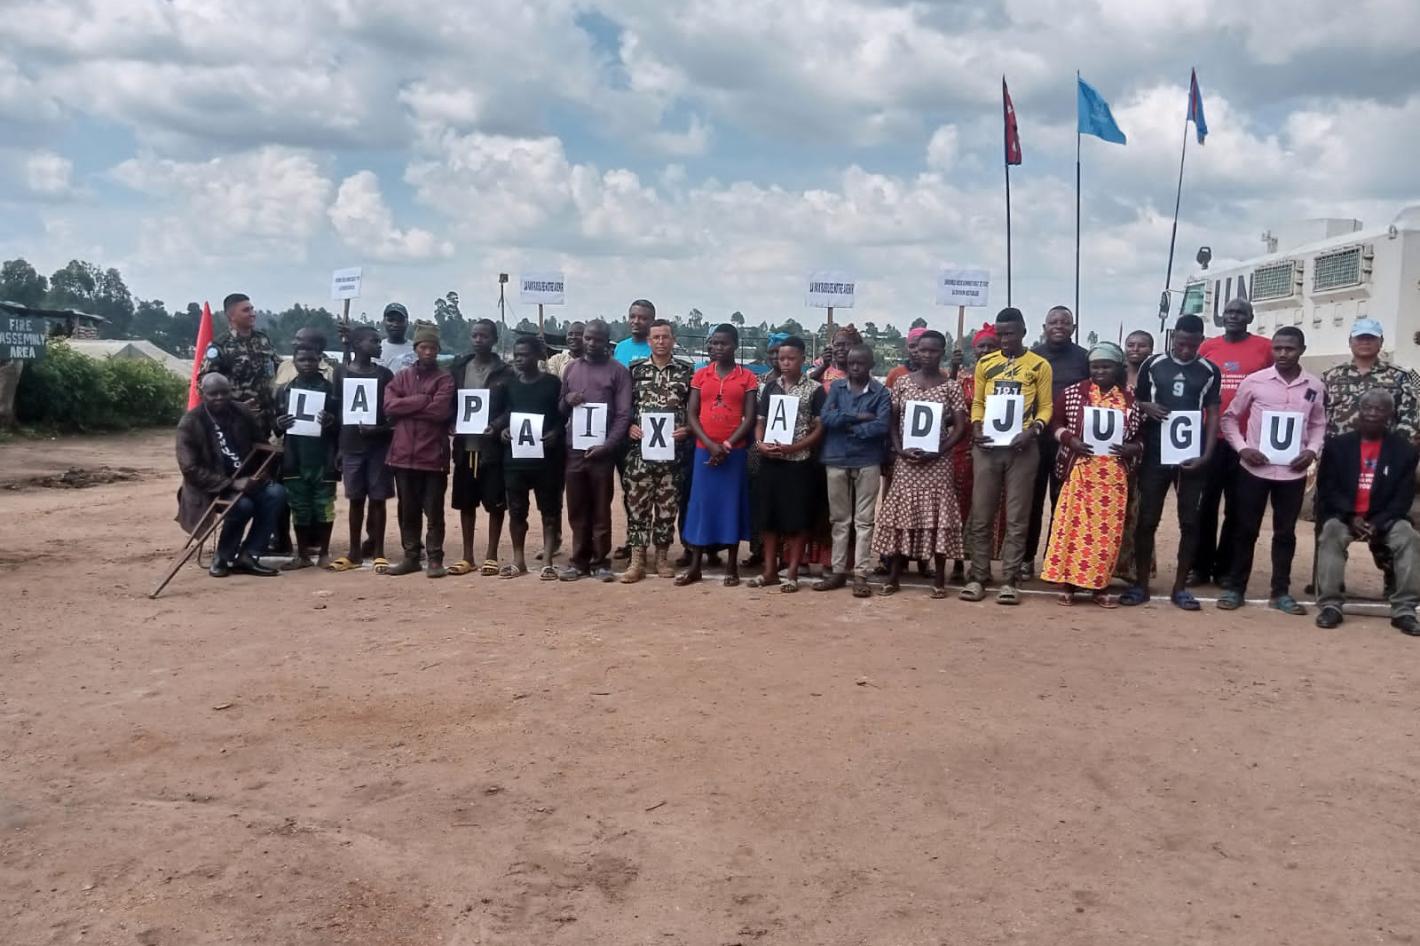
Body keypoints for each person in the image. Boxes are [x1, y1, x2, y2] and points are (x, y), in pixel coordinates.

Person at [1217, 326, 1326, 613]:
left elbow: (1318, 424)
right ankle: (1235, 588)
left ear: (1302, 350)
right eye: (1278, 348)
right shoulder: (1255, 381)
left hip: (1292, 472)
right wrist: (1243, 448)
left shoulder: (1314, 386)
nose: (1283, 354)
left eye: (1290, 348)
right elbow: (1230, 418)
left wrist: (1311, 451)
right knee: (1245, 529)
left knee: (1285, 533)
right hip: (1254, 470)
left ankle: (1280, 592)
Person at [1121, 315, 1221, 610]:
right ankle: (1141, 584)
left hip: (1190, 455)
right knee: (1147, 519)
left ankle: (1180, 588)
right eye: (1181, 344)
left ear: (1201, 341)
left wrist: (1207, 454)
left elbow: (1213, 413)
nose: (1186, 350)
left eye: (1192, 345)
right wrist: (1145, 406)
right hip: (1155, 453)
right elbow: (1134, 401)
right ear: (1173, 337)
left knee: (1189, 521)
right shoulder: (1153, 365)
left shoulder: (1209, 370)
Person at [1039, 343, 1143, 606]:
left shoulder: (1130, 399)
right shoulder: (1073, 393)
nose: (1100, 372)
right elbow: (1056, 423)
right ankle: (1068, 584)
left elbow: (1141, 437)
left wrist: (1132, 448)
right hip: (1079, 471)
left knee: (1105, 533)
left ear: (1118, 368)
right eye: (1095, 367)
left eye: (1106, 367)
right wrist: (1070, 439)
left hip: (1113, 476)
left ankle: (1099, 585)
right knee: (1072, 529)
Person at [962, 307, 1053, 605]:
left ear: (1024, 332)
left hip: (1021, 449)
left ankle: (1011, 579)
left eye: (1010, 334)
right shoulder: (986, 364)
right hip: (988, 448)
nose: (1004, 340)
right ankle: (978, 575)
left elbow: (1045, 407)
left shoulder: (1039, 365)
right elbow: (978, 402)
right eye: (1000, 334)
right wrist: (977, 426)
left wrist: (1033, 430)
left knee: (1017, 516)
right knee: (981, 514)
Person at [1314, 389, 1420, 635]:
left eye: (1379, 409)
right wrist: (1351, 516)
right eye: (1368, 408)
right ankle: (1330, 605)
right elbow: (1327, 489)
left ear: (1390, 415)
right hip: (1345, 516)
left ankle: (1404, 610)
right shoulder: (1337, 446)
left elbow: (1403, 497)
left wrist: (1379, 522)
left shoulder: (1404, 451)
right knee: (1331, 534)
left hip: (1386, 518)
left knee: (1409, 538)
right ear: (1359, 412)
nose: (1372, 413)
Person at [873, 330, 969, 598]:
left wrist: (939, 451)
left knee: (938, 518)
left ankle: (939, 579)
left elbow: (960, 426)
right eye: (922, 350)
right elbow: (892, 421)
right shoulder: (902, 383)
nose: (927, 355)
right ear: (915, 351)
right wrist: (899, 449)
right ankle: (894, 576)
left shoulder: (951, 386)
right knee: (900, 517)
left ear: (942, 353)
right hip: (907, 462)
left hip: (938, 464)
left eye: (933, 350)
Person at [1193, 297, 1274, 585]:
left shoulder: (1265, 347)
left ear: (1250, 317)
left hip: (1247, 441)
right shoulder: (1208, 347)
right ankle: (1200, 567)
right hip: (1210, 439)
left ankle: (1225, 569)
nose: (1234, 316)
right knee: (1205, 506)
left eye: (1240, 313)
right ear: (1222, 316)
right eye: (1229, 312)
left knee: (1237, 508)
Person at [175, 373, 284, 578]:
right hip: (211, 487)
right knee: (242, 505)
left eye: (224, 393)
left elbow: (260, 444)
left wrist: (263, 473)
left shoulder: (241, 412)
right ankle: (223, 557)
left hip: (246, 479)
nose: (220, 398)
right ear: (202, 393)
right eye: (213, 394)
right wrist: (232, 483)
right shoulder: (190, 423)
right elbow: (190, 469)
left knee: (276, 493)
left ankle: (249, 554)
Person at [678, 324, 758, 586]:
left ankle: (732, 566)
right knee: (701, 506)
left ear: (735, 345)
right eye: (713, 343)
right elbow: (692, 414)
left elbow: (749, 418)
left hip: (733, 453)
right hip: (704, 451)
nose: (717, 348)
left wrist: (726, 445)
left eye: (723, 343)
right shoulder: (701, 375)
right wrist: (709, 444)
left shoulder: (747, 377)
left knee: (730, 506)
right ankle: (695, 566)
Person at [749, 336, 826, 592]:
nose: (785, 363)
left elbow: (820, 428)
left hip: (798, 462)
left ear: (803, 359)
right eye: (782, 358)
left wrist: (796, 447)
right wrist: (760, 443)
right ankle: (770, 570)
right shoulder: (769, 387)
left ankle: (792, 572)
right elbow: (760, 421)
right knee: (768, 517)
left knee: (797, 518)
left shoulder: (814, 389)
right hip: (771, 460)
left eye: (791, 358)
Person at [621, 319, 694, 582]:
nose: (661, 341)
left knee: (667, 508)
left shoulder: (687, 372)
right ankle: (637, 559)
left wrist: (688, 429)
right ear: (649, 341)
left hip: (673, 454)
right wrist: (628, 426)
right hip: (640, 454)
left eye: (665, 337)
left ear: (673, 340)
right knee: (637, 507)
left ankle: (662, 557)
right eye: (656, 337)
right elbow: (624, 406)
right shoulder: (634, 371)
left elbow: (694, 410)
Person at [559, 320, 631, 581]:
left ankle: (601, 561)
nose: (591, 343)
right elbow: (560, 408)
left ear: (606, 342)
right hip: (574, 449)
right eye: (588, 338)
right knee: (577, 508)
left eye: (597, 339)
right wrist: (567, 400)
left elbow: (623, 415)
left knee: (601, 507)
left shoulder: (618, 372)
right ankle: (579, 560)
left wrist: (608, 446)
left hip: (602, 451)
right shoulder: (571, 368)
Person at [816, 343, 891, 595]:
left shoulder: (881, 392)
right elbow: (827, 417)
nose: (855, 368)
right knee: (839, 519)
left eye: (860, 363)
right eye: (851, 364)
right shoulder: (837, 387)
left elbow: (881, 425)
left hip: (867, 460)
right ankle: (838, 570)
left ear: (871, 365)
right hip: (836, 458)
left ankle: (860, 574)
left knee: (864, 520)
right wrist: (858, 417)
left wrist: (846, 422)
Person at [1024, 305, 1090, 580]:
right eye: (1053, 322)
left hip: (1069, 441)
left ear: (1074, 328)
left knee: (1062, 502)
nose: (1059, 326)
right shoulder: (1032, 357)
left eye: (1065, 322)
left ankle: (1055, 559)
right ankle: (1026, 558)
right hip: (1034, 440)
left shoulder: (1084, 359)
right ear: (1044, 327)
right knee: (1031, 501)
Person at [384, 322, 455, 577]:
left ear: (438, 350)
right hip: (403, 455)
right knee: (407, 510)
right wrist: (422, 400)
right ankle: (411, 556)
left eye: (432, 348)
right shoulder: (402, 376)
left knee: (434, 510)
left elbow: (440, 411)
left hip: (433, 456)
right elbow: (389, 406)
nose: (428, 352)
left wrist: (406, 407)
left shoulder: (445, 379)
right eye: (424, 347)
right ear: (415, 348)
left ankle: (435, 558)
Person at [496, 335, 565, 580]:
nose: (519, 359)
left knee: (550, 511)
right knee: (516, 511)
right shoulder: (510, 385)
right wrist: (503, 431)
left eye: (524, 355)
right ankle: (518, 559)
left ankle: (547, 561)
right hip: (516, 460)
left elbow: (562, 416)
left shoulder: (553, 384)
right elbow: (507, 413)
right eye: (516, 355)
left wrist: (556, 432)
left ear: (537, 356)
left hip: (547, 460)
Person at [448, 318, 512, 577]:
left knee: (495, 504)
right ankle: (467, 556)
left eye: (484, 336)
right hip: (465, 446)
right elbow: (450, 402)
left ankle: (491, 555)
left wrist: (496, 426)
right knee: (466, 503)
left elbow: (511, 407)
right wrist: (451, 421)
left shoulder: (504, 372)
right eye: (474, 335)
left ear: (494, 339)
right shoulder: (459, 368)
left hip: (491, 448)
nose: (478, 340)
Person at [328, 325, 394, 573]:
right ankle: (354, 551)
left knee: (378, 499)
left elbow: (392, 415)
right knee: (355, 499)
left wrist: (379, 430)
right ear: (357, 344)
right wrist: (338, 448)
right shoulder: (341, 373)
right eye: (373, 341)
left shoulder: (385, 375)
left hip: (378, 447)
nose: (379, 345)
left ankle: (378, 550)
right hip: (350, 446)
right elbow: (337, 412)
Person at [273, 348, 339, 569]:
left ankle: (324, 552)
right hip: (295, 457)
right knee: (299, 506)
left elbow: (341, 423)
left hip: (323, 458)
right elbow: (275, 426)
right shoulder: (284, 391)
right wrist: (278, 424)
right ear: (294, 362)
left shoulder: (331, 390)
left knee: (324, 505)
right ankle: (302, 554)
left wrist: (331, 421)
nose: (308, 363)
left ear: (319, 360)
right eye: (302, 360)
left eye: (312, 359)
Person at [948, 324, 1003, 583]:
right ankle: (958, 562)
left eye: (992, 346)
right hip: (963, 448)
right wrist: (953, 371)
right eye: (982, 346)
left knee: (987, 506)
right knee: (960, 504)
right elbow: (948, 408)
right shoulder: (962, 380)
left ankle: (982, 564)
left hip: (993, 446)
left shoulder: (1004, 379)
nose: (986, 350)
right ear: (974, 350)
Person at [1321, 318, 1420, 441]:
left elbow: (1410, 416)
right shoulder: (1332, 376)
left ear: (1381, 342)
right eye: (1360, 338)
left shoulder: (1398, 376)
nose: (1365, 342)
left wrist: (1397, 447)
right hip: (1338, 449)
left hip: (1384, 449)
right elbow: (1318, 416)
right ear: (1350, 341)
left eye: (1371, 338)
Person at [197, 293, 279, 436]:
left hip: (265, 418)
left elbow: (279, 368)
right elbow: (203, 384)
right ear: (232, 316)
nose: (252, 314)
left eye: (252, 309)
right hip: (234, 419)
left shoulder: (263, 340)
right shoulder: (220, 346)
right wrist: (232, 406)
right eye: (246, 310)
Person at [1114, 329, 1156, 584]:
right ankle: (1110, 565)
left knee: (1139, 511)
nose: (1136, 349)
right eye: (1131, 344)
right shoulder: (1114, 373)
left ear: (1151, 349)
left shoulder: (1156, 375)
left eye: (1142, 345)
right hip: (1116, 450)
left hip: (1145, 449)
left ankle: (1134, 568)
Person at [273, 327, 338, 387]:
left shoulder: (329, 373)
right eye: (301, 360)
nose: (293, 342)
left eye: (298, 339)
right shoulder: (284, 365)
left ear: (314, 344)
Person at [614, 301, 655, 366]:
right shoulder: (620, 347)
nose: (636, 321)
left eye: (642, 318)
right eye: (632, 317)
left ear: (652, 321)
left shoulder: (658, 348)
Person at [378, 303, 416, 372]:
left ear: (407, 322)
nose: (395, 324)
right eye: (391, 320)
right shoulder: (376, 348)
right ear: (384, 321)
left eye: (400, 320)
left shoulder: (416, 349)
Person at [885, 327, 924, 392]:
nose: (916, 350)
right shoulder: (895, 374)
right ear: (907, 348)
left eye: (921, 346)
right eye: (912, 346)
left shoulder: (941, 376)